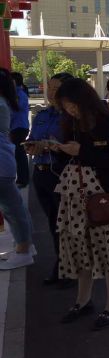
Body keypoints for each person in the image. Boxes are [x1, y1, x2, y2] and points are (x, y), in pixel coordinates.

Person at [52, 78, 109, 329]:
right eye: (66, 107)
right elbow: (66, 158)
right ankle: (83, 301)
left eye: (72, 105)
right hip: (74, 196)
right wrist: (54, 149)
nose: (70, 111)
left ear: (84, 100)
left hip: (103, 197)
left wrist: (80, 152)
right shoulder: (70, 124)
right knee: (80, 248)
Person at [23, 72, 74, 284]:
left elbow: (76, 148)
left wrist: (54, 146)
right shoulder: (42, 115)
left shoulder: (72, 118)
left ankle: (67, 269)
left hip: (61, 174)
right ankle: (61, 264)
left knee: (65, 224)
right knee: (53, 222)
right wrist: (31, 146)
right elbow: (32, 138)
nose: (51, 93)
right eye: (49, 88)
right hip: (41, 173)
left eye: (56, 89)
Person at [0, 68, 34, 270]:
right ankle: (25, 245)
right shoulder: (4, 102)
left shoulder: (1, 104)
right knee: (13, 207)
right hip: (4, 162)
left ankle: (24, 249)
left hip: (2, 163)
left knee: (12, 209)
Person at [9, 72, 30, 188]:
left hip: (19, 127)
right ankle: (21, 178)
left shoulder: (19, 94)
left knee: (19, 154)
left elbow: (15, 108)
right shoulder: (17, 93)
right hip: (17, 127)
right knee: (18, 153)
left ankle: (23, 179)